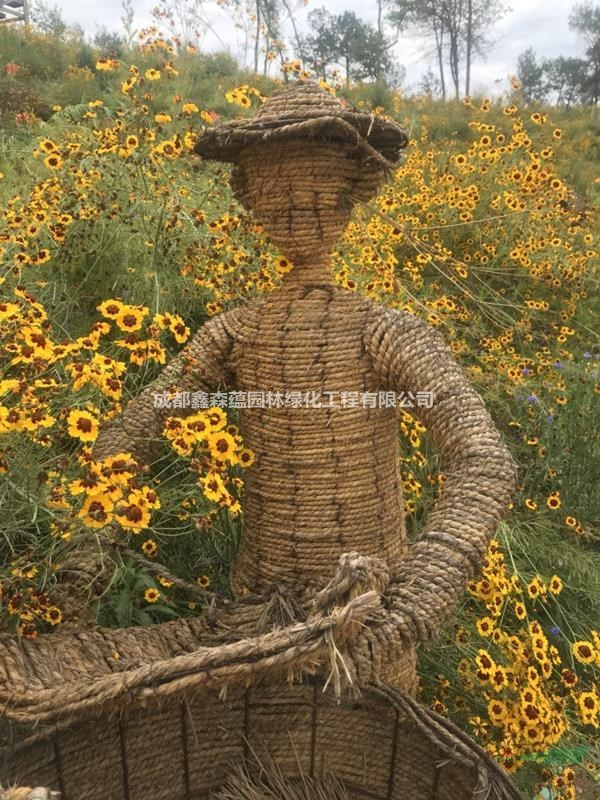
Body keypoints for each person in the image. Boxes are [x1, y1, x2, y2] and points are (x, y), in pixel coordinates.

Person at [91, 82, 517, 693]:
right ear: (253, 201)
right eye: (280, 200)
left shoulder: (383, 333)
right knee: (265, 746)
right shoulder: (237, 331)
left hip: (371, 620)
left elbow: (483, 459)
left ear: (347, 200)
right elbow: (140, 426)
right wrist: (86, 536)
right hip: (261, 615)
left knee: (372, 746)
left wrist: (419, 597)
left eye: (316, 198)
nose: (298, 214)